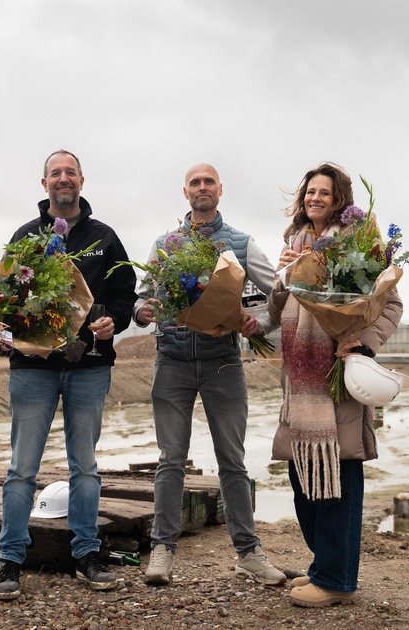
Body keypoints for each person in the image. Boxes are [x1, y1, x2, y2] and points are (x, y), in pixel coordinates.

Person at [0, 149, 139, 600]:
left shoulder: (105, 237)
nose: (63, 179)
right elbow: (4, 297)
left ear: (81, 181)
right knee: (21, 469)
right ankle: (10, 558)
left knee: (86, 467)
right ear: (44, 184)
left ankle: (86, 554)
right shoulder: (25, 236)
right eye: (55, 173)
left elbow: (125, 297)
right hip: (33, 369)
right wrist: (4, 327)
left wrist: (114, 319)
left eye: (69, 172)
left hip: (89, 367)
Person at [134, 163, 287, 587]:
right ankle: (162, 549)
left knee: (232, 462)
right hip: (173, 362)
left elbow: (275, 290)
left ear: (221, 190)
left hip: (224, 363)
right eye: (195, 183)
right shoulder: (164, 244)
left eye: (208, 182)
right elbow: (144, 297)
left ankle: (249, 553)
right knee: (170, 461)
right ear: (185, 192)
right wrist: (140, 312)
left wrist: (261, 323)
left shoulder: (240, 242)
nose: (202, 188)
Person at [269, 162, 403, 608]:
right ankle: (322, 566)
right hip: (299, 381)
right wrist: (281, 276)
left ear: (339, 198)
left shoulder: (360, 243)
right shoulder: (294, 243)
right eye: (310, 191)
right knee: (303, 479)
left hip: (337, 378)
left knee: (339, 479)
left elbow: (389, 303)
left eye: (325, 192)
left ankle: (337, 580)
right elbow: (278, 309)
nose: (315, 198)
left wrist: (362, 343)